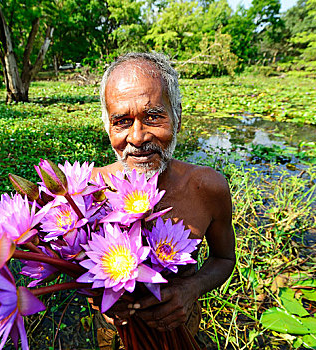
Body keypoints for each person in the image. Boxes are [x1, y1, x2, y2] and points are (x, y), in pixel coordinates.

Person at [91, 52, 236, 348]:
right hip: (114, 335)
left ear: (178, 117)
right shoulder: (89, 191)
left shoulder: (207, 188)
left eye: (153, 116)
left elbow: (224, 258)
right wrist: (100, 302)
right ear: (107, 127)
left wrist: (190, 289)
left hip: (181, 328)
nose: (138, 137)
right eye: (121, 121)